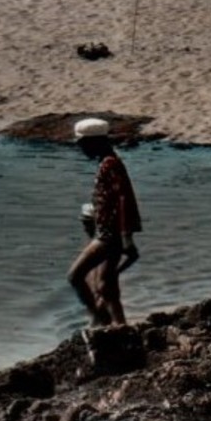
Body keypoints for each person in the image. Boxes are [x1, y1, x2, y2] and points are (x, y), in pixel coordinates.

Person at [67, 118, 141, 327]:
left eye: (83, 145)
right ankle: (116, 325)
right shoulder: (110, 162)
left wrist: (126, 236)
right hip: (110, 232)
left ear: (94, 142)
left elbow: (124, 198)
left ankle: (99, 319)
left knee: (75, 276)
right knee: (106, 286)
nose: (81, 150)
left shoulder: (110, 164)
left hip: (109, 235)